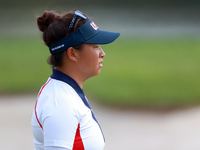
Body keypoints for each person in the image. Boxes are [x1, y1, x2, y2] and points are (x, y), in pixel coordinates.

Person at [31, 10, 120, 150]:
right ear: (72, 53)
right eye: (95, 46)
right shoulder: (59, 102)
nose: (103, 53)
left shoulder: (66, 92)